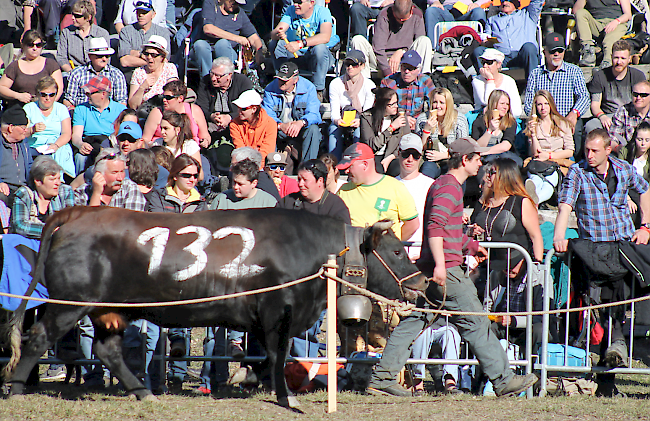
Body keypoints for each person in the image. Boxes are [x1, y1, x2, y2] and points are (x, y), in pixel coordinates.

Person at [366, 137, 539, 397]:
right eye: (477, 158)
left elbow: (449, 229)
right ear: (465, 160)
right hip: (446, 271)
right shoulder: (449, 188)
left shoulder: (445, 185)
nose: (481, 162)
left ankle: (381, 379)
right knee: (477, 323)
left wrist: (469, 245)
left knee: (414, 321)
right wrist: (439, 265)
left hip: (436, 268)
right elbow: (435, 227)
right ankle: (503, 380)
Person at [554, 129, 650, 397]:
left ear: (609, 149)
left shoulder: (623, 168)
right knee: (598, 312)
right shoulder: (577, 172)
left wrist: (645, 226)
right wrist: (559, 236)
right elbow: (565, 206)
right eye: (586, 150)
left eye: (595, 150)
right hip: (594, 252)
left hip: (624, 250)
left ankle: (614, 359)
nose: (589, 155)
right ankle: (605, 374)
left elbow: (645, 191)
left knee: (618, 307)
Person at [524, 32, 589, 157]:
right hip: (542, 122)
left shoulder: (574, 71)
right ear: (545, 52)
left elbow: (584, 97)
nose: (557, 54)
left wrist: (574, 113)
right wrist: (537, 119)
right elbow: (528, 104)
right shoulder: (535, 74)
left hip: (567, 120)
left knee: (576, 132)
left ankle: (575, 165)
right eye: (553, 51)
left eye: (560, 50)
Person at [337, 142, 419, 240]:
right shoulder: (343, 191)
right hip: (354, 254)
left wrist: (391, 246)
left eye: (350, 166)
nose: (346, 171)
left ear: (365, 165)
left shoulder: (395, 187)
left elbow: (412, 225)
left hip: (383, 254)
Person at [470, 157, 544, 264]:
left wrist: (536, 266)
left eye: (492, 172)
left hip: (515, 266)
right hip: (485, 266)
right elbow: (471, 228)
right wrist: (471, 231)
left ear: (505, 175)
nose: (487, 176)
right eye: (487, 172)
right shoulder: (482, 202)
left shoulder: (521, 202)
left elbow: (535, 236)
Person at [270, 0, 340, 99]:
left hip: (319, 59)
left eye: (299, 2)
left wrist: (301, 43)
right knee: (275, 43)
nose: (295, 4)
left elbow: (325, 36)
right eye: (294, 1)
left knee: (319, 48)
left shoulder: (322, 12)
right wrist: (278, 33)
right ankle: (283, 83)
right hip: (296, 55)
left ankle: (318, 91)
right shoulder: (291, 10)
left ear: (311, 3)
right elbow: (273, 34)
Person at [262, 62, 323, 169]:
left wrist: (301, 123)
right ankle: (272, 167)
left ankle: (307, 169)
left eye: (285, 80)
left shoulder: (309, 88)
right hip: (279, 129)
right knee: (267, 129)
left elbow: (314, 114)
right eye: (280, 78)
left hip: (301, 129)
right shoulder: (269, 89)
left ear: (295, 79)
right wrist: (280, 125)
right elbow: (267, 116)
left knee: (314, 130)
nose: (281, 82)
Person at [350, 0, 433, 78]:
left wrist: (402, 52)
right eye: (397, 18)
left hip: (407, 58)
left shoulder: (417, 14)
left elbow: (418, 48)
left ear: (412, 10)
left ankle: (423, 80)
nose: (400, 21)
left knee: (425, 41)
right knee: (357, 39)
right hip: (382, 60)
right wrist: (388, 74)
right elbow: (378, 49)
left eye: (404, 19)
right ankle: (363, 83)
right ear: (393, 9)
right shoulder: (384, 15)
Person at [524, 90, 575, 206]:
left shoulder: (562, 123)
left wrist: (549, 155)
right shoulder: (534, 125)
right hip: (539, 162)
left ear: (551, 104)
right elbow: (535, 152)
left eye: (546, 104)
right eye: (539, 104)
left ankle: (532, 203)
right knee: (536, 180)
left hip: (557, 162)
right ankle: (534, 203)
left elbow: (570, 151)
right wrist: (533, 134)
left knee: (549, 181)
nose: (543, 107)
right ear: (535, 107)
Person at [195, 56, 253, 156]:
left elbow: (249, 108)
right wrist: (212, 116)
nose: (213, 78)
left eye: (218, 76)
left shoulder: (243, 82)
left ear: (229, 75)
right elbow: (201, 107)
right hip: (211, 121)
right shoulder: (205, 81)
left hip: (238, 121)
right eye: (212, 73)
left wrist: (230, 118)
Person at [472, 0, 543, 80]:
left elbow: (538, 1)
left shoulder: (528, 14)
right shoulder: (492, 20)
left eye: (509, 0)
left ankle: (533, 86)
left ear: (516, 2)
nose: (505, 3)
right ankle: (486, 84)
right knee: (479, 51)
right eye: (502, 0)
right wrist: (486, 42)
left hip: (522, 56)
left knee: (529, 47)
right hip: (501, 58)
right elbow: (486, 37)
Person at [192, 0, 264, 77]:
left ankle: (224, 80)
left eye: (238, 4)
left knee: (222, 44)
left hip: (227, 50)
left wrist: (259, 52)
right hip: (205, 49)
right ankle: (207, 80)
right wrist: (237, 38)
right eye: (232, 1)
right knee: (200, 44)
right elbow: (208, 29)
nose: (234, 5)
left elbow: (254, 38)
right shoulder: (211, 4)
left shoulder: (240, 14)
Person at [72, 75, 127, 173]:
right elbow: (76, 135)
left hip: (111, 145)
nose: (86, 95)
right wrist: (80, 144)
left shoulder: (120, 110)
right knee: (80, 157)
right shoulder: (81, 109)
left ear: (103, 94)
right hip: (89, 143)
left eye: (90, 93)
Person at [10, 155, 75, 238]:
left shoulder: (65, 192)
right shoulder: (24, 194)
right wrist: (50, 229)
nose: (58, 183)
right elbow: (20, 226)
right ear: (38, 181)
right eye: (52, 179)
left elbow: (70, 221)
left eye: (58, 178)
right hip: (28, 246)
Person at [24, 76, 75, 179]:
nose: (48, 98)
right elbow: (21, 133)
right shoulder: (28, 108)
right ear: (38, 94)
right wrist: (32, 130)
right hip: (33, 146)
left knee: (60, 153)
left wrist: (56, 145)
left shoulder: (61, 109)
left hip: (54, 145)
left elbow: (66, 133)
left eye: (52, 95)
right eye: (44, 95)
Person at [328, 50, 376, 160]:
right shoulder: (336, 83)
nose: (350, 67)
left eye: (354, 64)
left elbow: (367, 112)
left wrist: (360, 121)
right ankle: (333, 163)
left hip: (360, 120)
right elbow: (334, 111)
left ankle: (357, 162)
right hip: (342, 119)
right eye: (347, 64)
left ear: (362, 65)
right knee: (333, 130)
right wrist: (337, 120)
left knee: (360, 131)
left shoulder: (369, 85)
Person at [0, 30, 63, 111]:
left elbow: (59, 89)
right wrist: (18, 95)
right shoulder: (15, 66)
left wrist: (47, 105)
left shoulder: (51, 64)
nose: (35, 48)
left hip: (45, 109)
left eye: (38, 45)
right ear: (23, 45)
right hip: (20, 109)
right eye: (30, 45)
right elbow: (1, 87)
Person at [395, 133, 434, 262]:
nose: (410, 159)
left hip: (421, 255)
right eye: (406, 154)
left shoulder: (431, 185)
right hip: (396, 256)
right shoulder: (389, 185)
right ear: (398, 153)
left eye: (415, 155)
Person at [417, 87, 470, 179]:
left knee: (455, 173)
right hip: (430, 160)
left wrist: (444, 155)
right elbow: (418, 149)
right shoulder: (422, 119)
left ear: (448, 104)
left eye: (442, 103)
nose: (437, 106)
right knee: (427, 171)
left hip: (452, 159)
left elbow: (464, 148)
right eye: (435, 102)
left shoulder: (459, 120)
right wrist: (426, 130)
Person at [64, 37, 128, 110]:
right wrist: (76, 113)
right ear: (90, 56)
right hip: (82, 114)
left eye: (107, 56)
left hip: (109, 115)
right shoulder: (77, 73)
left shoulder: (116, 74)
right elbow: (68, 100)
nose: (104, 59)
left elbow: (121, 101)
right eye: (100, 56)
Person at [279, 158, 350, 222]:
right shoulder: (287, 202)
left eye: (305, 180)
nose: (300, 184)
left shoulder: (335, 206)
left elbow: (343, 233)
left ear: (320, 181)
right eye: (299, 179)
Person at [142, 80, 210, 146]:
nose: (164, 100)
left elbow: (205, 136)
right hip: (163, 151)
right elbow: (145, 139)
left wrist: (205, 141)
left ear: (180, 98)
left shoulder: (195, 110)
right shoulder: (157, 113)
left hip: (189, 151)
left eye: (168, 97)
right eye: (163, 97)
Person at [360, 86, 408, 176]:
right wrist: (391, 128)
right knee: (377, 171)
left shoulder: (400, 115)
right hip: (374, 155)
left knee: (397, 169)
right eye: (392, 104)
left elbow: (406, 141)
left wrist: (391, 157)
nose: (396, 106)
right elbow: (372, 145)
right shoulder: (367, 117)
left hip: (393, 155)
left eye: (396, 103)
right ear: (382, 105)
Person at [118, 0, 171, 75]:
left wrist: (135, 53)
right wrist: (151, 61)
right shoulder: (126, 31)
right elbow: (124, 61)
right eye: (138, 12)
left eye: (144, 13)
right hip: (131, 74)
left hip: (156, 75)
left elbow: (164, 61)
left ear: (153, 15)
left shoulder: (162, 32)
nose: (140, 15)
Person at [56, 0, 110, 73]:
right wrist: (71, 71)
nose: (72, 18)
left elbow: (106, 59)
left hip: (97, 71)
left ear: (88, 17)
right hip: (73, 70)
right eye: (72, 14)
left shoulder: (102, 34)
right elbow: (61, 57)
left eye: (77, 16)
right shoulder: (67, 32)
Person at [379, 50, 435, 120]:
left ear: (418, 70)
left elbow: (434, 105)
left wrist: (421, 121)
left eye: (411, 68)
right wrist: (403, 118)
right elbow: (380, 109)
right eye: (404, 67)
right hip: (394, 121)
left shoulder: (425, 81)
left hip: (417, 122)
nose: (406, 71)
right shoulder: (388, 82)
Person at [574, 0, 632, 67]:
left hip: (616, 22)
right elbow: (576, 11)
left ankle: (607, 62)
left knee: (608, 41)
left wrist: (617, 21)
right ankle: (589, 52)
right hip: (596, 23)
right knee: (581, 13)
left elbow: (628, 15)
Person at [128, 35, 178, 110]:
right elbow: (133, 106)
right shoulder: (138, 72)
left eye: (153, 55)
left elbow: (173, 96)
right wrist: (142, 88)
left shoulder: (169, 68)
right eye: (147, 54)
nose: (149, 57)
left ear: (162, 57)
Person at [471, 89, 520, 165]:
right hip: (485, 158)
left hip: (504, 155)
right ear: (493, 104)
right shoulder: (479, 122)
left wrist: (485, 151)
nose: (505, 107)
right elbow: (477, 147)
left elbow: (506, 146)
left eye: (507, 104)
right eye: (502, 103)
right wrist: (490, 130)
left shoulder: (510, 122)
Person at [230, 89, 277, 164]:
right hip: (243, 165)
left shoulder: (270, 123)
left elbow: (267, 151)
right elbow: (240, 150)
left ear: (254, 109)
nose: (239, 111)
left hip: (262, 166)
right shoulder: (234, 124)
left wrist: (256, 168)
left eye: (243, 109)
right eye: (238, 108)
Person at [472, 48, 523, 117]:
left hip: (506, 119)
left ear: (498, 64)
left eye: (489, 62)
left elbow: (517, 110)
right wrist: (490, 79)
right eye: (483, 62)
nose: (485, 66)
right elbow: (488, 101)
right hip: (483, 118)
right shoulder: (477, 80)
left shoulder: (509, 81)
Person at [0, 106, 33, 206]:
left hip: (24, 188)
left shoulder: (23, 142)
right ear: (10, 128)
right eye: (23, 128)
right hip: (5, 189)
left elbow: (30, 165)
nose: (25, 131)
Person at [620, 122, 650, 227]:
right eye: (640, 139)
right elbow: (620, 179)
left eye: (647, 140)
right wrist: (627, 199)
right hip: (628, 193)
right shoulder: (625, 152)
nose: (643, 144)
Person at [159, 111, 204, 180]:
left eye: (166, 128)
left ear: (177, 130)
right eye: (161, 128)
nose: (162, 132)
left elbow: (199, 176)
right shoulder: (158, 144)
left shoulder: (189, 145)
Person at [608, 80, 650, 150]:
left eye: (643, 95)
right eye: (635, 94)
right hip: (628, 153)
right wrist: (618, 149)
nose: (638, 98)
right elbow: (613, 137)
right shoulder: (623, 111)